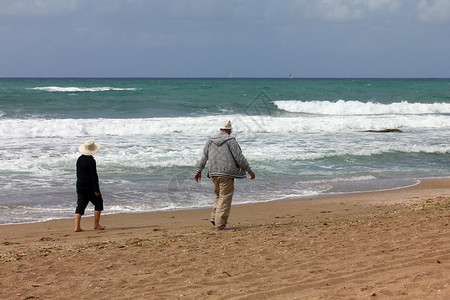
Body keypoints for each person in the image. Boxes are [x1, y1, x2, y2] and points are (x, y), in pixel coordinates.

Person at [194, 120, 255, 230]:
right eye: (230, 130)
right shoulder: (231, 140)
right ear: (229, 130)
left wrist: (199, 171)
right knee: (225, 198)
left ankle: (214, 217)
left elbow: (204, 157)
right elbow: (239, 158)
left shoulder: (210, 140)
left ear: (220, 129)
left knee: (218, 195)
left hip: (213, 173)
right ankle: (220, 224)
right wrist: (249, 170)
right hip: (226, 173)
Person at [74, 140, 105, 232]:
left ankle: (77, 227)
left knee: (80, 206)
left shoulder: (79, 159)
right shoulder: (91, 161)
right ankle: (96, 224)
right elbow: (94, 176)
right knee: (99, 203)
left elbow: (78, 173)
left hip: (80, 185)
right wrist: (97, 190)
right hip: (90, 186)